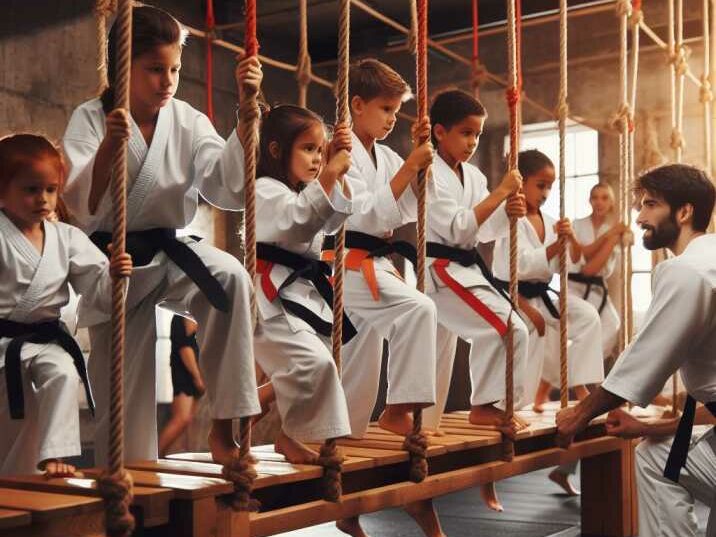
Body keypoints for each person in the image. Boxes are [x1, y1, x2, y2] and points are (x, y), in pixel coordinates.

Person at [61, 4, 261, 466]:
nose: (167, 81)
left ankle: (224, 430)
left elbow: (225, 186)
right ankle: (129, 475)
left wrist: (245, 121)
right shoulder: (91, 118)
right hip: (112, 261)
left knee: (230, 277)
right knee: (124, 390)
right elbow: (78, 205)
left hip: (171, 252)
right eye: (154, 69)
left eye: (174, 68)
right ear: (121, 67)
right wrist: (111, 144)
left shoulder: (187, 120)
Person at [556, 163, 716, 537]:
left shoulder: (689, 271)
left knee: (655, 459)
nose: (639, 216)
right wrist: (650, 425)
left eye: (650, 204)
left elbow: (645, 358)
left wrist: (579, 414)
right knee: (662, 450)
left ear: (684, 211)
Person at [333, 58, 441, 537]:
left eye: (397, 110)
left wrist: (422, 163)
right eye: (385, 108)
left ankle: (345, 507)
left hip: (376, 264)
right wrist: (409, 169)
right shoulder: (340, 148)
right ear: (356, 104)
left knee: (361, 368)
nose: (391, 118)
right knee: (419, 308)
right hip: (345, 262)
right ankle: (398, 409)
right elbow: (362, 215)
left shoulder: (388, 157)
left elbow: (411, 209)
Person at [0, 134, 131, 476]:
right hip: (2, 344)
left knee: (63, 371)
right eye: (30, 189)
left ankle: (54, 457)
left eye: (50, 190)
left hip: (45, 341)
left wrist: (116, 276)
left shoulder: (67, 238)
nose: (42, 199)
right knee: (14, 423)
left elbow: (99, 290)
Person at [423, 89, 529, 511]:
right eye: (466, 133)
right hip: (440, 269)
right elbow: (457, 230)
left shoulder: (471, 176)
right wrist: (502, 192)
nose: (472, 143)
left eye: (478, 135)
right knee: (509, 328)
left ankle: (487, 404)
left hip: (464, 268)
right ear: (439, 132)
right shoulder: (428, 169)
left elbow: (485, 231)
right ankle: (486, 406)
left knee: (501, 330)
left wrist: (508, 210)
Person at [253, 105, 353, 464]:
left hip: (299, 295)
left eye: (319, 150)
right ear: (277, 151)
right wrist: (329, 174)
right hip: (270, 298)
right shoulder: (263, 190)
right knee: (314, 365)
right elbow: (298, 222)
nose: (315, 159)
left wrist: (335, 172)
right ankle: (288, 433)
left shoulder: (301, 189)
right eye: (308, 149)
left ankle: (270, 411)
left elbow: (331, 222)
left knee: (315, 364)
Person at [493, 149, 604, 412]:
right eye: (540, 185)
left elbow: (570, 262)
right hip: (512, 296)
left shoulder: (551, 221)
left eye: (549, 188)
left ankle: (580, 384)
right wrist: (556, 246)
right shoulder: (510, 217)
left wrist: (570, 237)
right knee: (532, 335)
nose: (545, 193)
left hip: (542, 295)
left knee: (588, 317)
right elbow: (519, 266)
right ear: (522, 182)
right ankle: (515, 405)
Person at [568, 183, 629, 360]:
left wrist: (619, 237)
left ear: (611, 202)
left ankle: (585, 366)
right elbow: (585, 261)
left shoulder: (614, 232)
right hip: (573, 286)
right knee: (581, 327)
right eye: (595, 197)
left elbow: (593, 267)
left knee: (612, 325)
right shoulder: (577, 225)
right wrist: (610, 236)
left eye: (605, 198)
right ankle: (577, 368)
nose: (599, 202)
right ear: (589, 200)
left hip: (596, 288)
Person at [158, 315, 205, 457]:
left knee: (187, 418)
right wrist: (197, 377)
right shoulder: (180, 316)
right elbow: (185, 348)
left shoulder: (196, 311)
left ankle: (162, 454)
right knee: (182, 418)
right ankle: (156, 454)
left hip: (194, 369)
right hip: (184, 371)